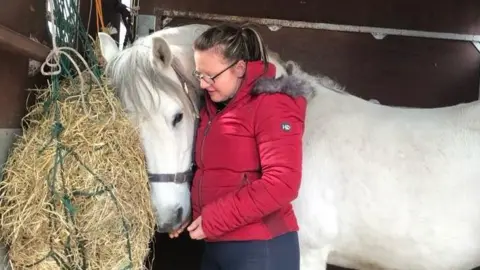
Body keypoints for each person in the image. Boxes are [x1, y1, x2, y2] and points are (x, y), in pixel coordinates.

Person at [169, 22, 307, 270]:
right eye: (200, 75)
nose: (203, 84)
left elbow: (282, 184)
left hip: (261, 248)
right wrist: (194, 213)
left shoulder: (273, 105)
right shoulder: (214, 108)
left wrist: (212, 219)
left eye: (211, 76)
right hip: (217, 244)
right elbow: (217, 175)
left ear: (240, 67)